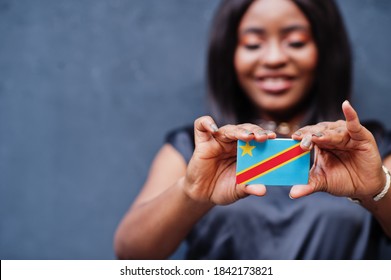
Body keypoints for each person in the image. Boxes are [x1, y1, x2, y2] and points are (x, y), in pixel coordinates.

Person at [114, 0, 391, 259]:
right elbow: (131, 253)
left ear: (324, 51)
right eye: (252, 44)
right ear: (229, 54)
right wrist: (190, 193)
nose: (273, 58)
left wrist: (378, 190)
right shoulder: (194, 148)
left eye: (295, 42)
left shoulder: (368, 148)